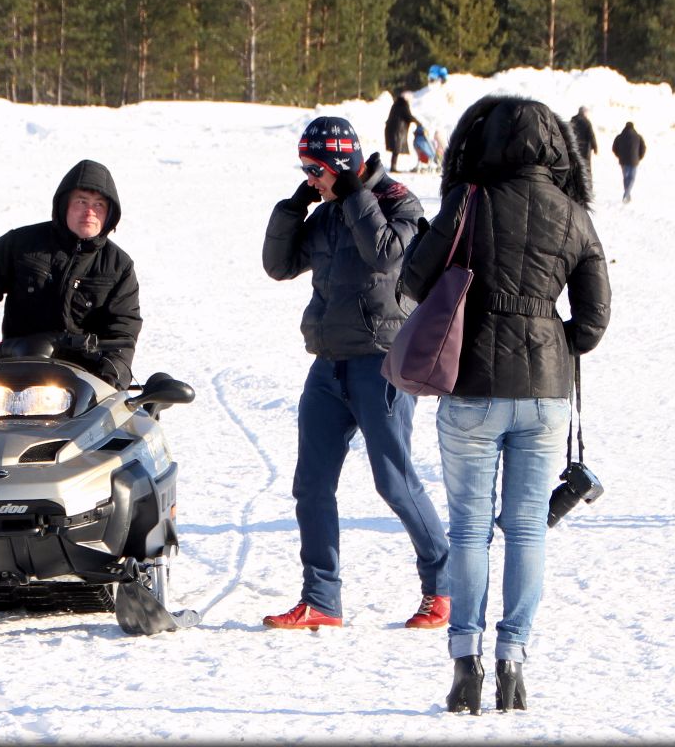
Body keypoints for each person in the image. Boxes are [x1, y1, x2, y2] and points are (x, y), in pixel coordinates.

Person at [397, 96, 611, 714]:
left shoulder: (469, 201)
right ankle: (514, 659)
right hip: (545, 393)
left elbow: (413, 279)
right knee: (526, 531)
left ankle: (465, 661)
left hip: (470, 386)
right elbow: (593, 322)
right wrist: (549, 341)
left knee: (468, 530)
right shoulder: (574, 215)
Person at [261, 116, 450, 632]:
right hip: (328, 366)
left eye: (315, 169)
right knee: (311, 485)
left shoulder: (397, 202)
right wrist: (293, 209)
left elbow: (389, 257)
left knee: (394, 481)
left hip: (382, 363)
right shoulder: (323, 213)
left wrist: (351, 196)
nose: (310, 178)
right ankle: (321, 598)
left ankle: (443, 586)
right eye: (304, 168)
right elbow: (278, 265)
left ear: (342, 165)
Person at [0, 159, 142, 388]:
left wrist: (112, 374)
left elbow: (123, 328)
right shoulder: (19, 245)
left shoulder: (119, 266)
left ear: (109, 214)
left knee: (127, 422)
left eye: (99, 205)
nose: (90, 212)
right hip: (14, 371)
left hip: (85, 383)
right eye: (82, 202)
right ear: (64, 205)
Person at [385, 92, 421, 172]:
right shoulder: (403, 105)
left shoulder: (396, 104)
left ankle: (393, 166)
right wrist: (418, 122)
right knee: (396, 149)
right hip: (398, 130)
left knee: (395, 149)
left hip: (392, 129)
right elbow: (408, 116)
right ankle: (393, 167)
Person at [611, 121, 645, 203]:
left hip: (623, 161)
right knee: (632, 178)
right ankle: (626, 194)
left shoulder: (620, 137)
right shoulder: (638, 137)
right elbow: (643, 148)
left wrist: (619, 156)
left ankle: (627, 195)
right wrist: (639, 157)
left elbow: (614, 148)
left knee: (626, 178)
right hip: (634, 161)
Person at [570, 106, 597, 178]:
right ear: (584, 112)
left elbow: (569, 132)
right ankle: (586, 181)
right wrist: (595, 148)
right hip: (585, 149)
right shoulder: (587, 122)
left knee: (574, 164)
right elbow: (591, 135)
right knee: (585, 167)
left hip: (574, 146)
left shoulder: (573, 120)